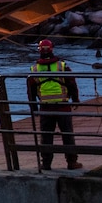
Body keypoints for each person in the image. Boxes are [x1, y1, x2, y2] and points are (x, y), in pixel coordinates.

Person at [28, 39, 81, 171]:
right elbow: (72, 84)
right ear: (52, 49)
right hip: (63, 106)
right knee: (67, 134)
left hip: (45, 107)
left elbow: (31, 91)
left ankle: (46, 164)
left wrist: (33, 107)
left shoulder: (34, 69)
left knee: (46, 136)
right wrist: (75, 99)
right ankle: (72, 162)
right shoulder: (62, 66)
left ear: (39, 50)